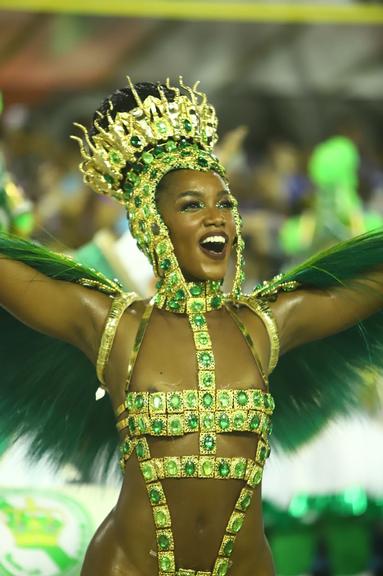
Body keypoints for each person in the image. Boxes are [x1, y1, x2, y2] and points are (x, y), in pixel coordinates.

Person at [1, 78, 383, 576]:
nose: (216, 218)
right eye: (191, 206)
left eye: (225, 204)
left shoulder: (266, 325)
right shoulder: (113, 327)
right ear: (151, 224)